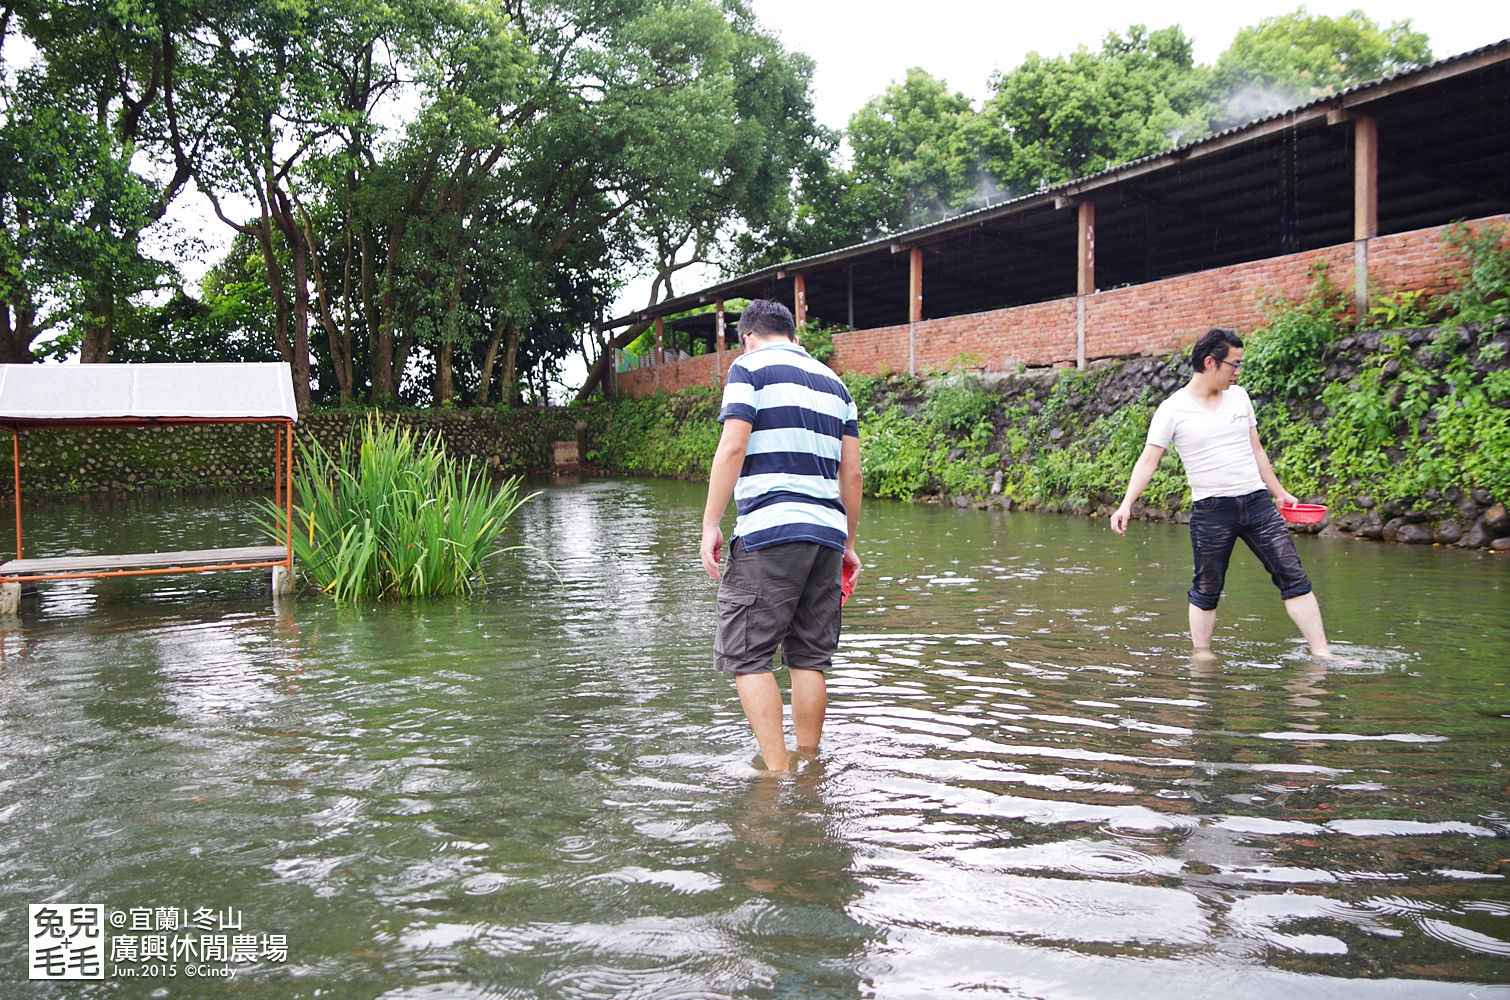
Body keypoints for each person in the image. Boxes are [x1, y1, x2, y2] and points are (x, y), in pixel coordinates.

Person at [700, 299, 863, 772]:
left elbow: (733, 445)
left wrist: (711, 523)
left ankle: (776, 775)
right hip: (826, 535)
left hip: (770, 529)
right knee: (809, 656)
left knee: (747, 655)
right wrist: (847, 543)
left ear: (747, 336)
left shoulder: (748, 366)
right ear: (794, 336)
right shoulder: (837, 385)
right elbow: (850, 474)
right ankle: (809, 769)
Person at [1110, 327, 1334, 658]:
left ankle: (1322, 653)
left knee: (1293, 575)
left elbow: (1257, 450)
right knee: (1207, 587)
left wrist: (1279, 492)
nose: (1238, 372)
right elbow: (1148, 460)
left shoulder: (1239, 397)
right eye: (1235, 364)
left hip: (1258, 504)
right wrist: (1126, 503)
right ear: (1211, 362)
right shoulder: (1172, 410)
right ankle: (1202, 655)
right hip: (1212, 512)